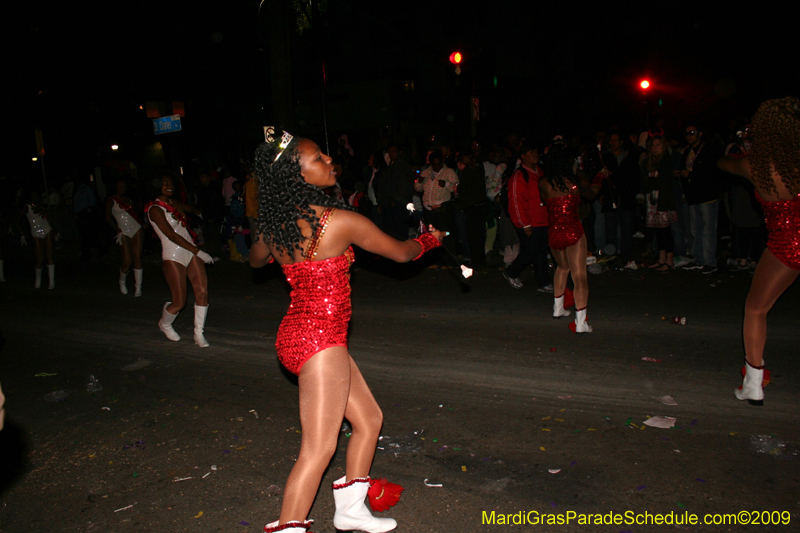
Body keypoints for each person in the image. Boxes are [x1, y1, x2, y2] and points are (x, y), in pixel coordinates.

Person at [250, 132, 444, 533]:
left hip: (301, 335)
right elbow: (402, 253)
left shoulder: (277, 227)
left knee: (370, 419)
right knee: (318, 449)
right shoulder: (339, 221)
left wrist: (273, 236)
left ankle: (351, 511)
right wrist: (429, 240)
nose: (329, 160)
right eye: (316, 158)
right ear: (294, 175)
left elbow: (256, 260)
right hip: (320, 341)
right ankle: (289, 527)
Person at [717, 97, 800, 406]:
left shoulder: (756, 166)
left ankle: (753, 382)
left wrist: (743, 144)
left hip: (786, 246)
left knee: (756, 309)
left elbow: (723, 163)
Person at [146, 176, 214, 348]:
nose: (169, 186)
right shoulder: (154, 209)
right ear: (156, 187)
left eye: (171, 183)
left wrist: (202, 212)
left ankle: (199, 333)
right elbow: (171, 235)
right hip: (173, 254)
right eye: (164, 183)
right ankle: (165, 323)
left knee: (202, 291)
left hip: (190, 250)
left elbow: (191, 209)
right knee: (179, 302)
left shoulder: (173, 203)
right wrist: (198, 251)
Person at [539, 144, 591, 332]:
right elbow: (591, 194)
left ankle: (558, 308)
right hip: (573, 230)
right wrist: (600, 177)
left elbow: (545, 201)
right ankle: (581, 322)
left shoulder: (543, 182)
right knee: (579, 276)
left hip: (554, 232)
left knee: (562, 267)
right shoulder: (573, 181)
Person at [504, 143, 552, 291]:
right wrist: (524, 223)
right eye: (531, 152)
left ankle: (543, 282)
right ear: (523, 157)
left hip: (542, 219)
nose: (535, 155)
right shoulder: (519, 176)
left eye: (535, 152)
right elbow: (516, 202)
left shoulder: (541, 172)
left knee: (540, 251)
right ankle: (511, 271)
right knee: (531, 251)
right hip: (529, 221)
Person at [641, 136, 678, 271]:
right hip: (652, 201)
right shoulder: (649, 162)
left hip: (663, 200)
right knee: (657, 230)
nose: (655, 148)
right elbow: (645, 182)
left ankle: (669, 260)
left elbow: (663, 182)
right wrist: (651, 183)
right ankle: (661, 259)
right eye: (653, 145)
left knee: (665, 231)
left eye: (658, 145)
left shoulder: (666, 161)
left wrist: (652, 182)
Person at [106, 180, 144, 296]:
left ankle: (138, 287)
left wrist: (134, 206)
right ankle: (122, 281)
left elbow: (138, 213)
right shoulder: (111, 200)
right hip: (123, 231)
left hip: (136, 228)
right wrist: (116, 228)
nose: (122, 187)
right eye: (120, 185)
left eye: (124, 185)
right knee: (127, 261)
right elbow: (107, 217)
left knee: (137, 257)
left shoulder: (128, 199)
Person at [17, 191, 56, 289]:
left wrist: (55, 230)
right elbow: (17, 220)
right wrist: (22, 233)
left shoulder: (41, 206)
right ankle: (38, 280)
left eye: (36, 195)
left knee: (49, 255)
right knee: (39, 258)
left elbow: (47, 218)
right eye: (34, 195)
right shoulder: (27, 208)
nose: (36, 197)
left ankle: (52, 281)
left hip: (47, 229)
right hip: (36, 232)